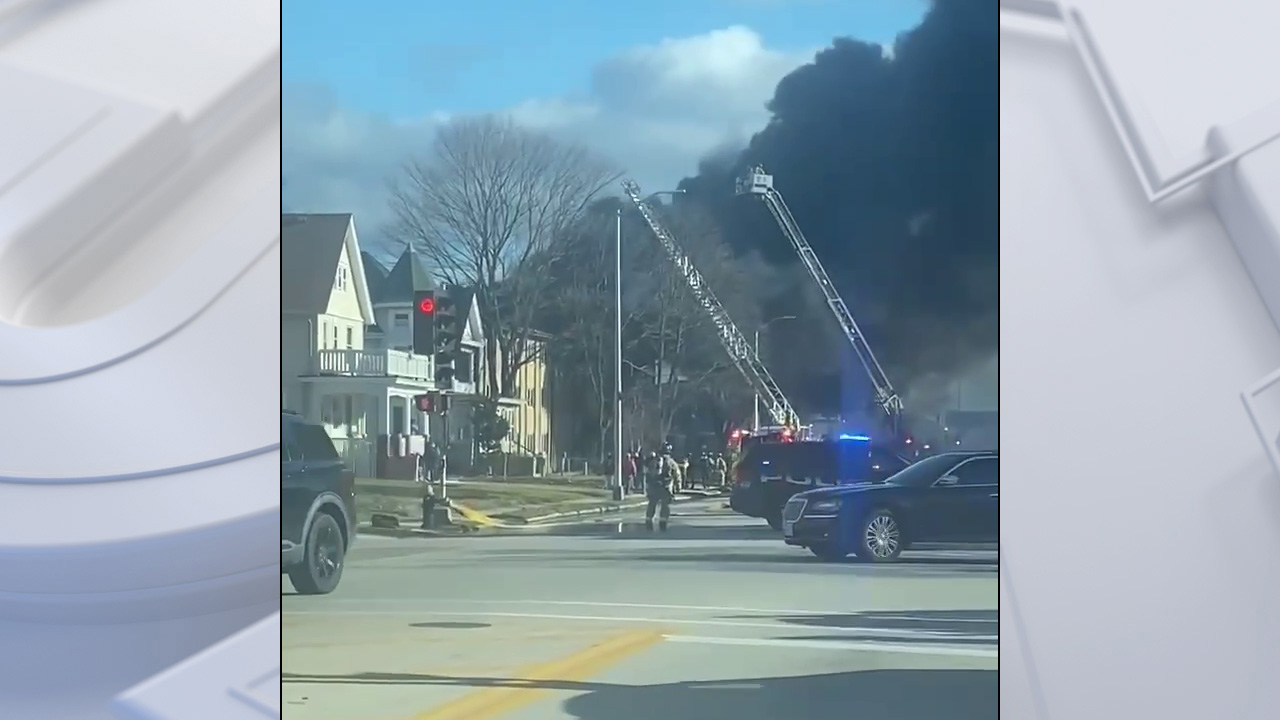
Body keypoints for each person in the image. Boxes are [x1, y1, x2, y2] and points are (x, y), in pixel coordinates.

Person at [644, 449, 675, 531]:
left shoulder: (653, 461)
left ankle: (648, 520)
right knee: (665, 505)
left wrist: (648, 487)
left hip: (653, 486)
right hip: (665, 487)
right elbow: (676, 474)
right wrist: (677, 487)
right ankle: (663, 522)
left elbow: (648, 474)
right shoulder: (671, 462)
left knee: (652, 503)